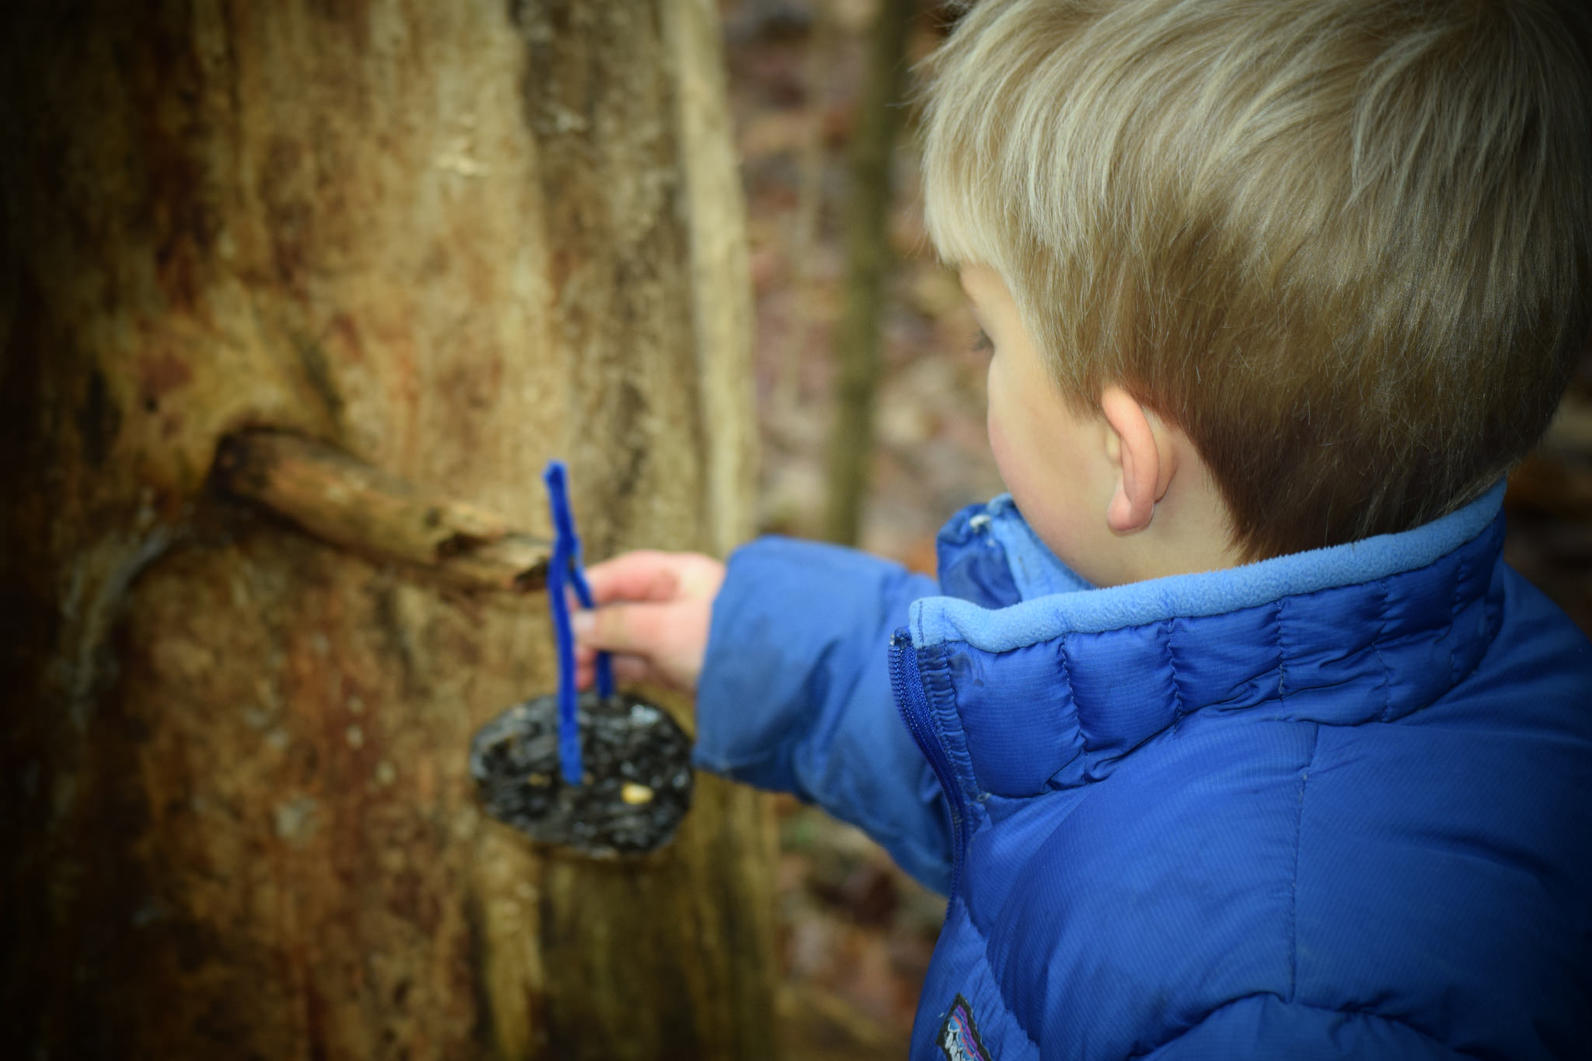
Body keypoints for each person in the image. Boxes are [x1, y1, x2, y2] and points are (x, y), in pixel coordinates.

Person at [573, 0, 1592, 1056]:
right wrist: (766, 642)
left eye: (986, 337)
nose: (978, 364)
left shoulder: (1280, 1010)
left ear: (1126, 454)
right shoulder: (1461, 655)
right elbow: (1047, 769)